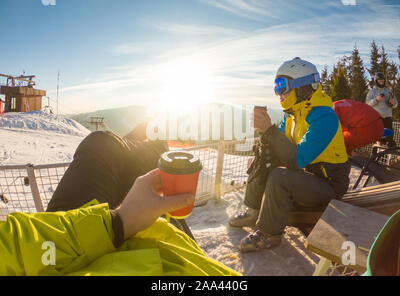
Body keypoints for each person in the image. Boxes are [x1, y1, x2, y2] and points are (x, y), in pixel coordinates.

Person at [0, 169, 240, 276]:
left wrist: (117, 224)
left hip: (69, 250)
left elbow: (16, 247)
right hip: (142, 248)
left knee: (102, 142)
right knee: (116, 147)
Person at [229, 57, 350, 253]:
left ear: (301, 86)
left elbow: (297, 159)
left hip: (329, 186)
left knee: (280, 176)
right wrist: (265, 137)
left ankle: (269, 234)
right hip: (309, 179)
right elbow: (278, 147)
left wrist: (269, 130)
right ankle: (253, 210)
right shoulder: (293, 115)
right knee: (265, 157)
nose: (278, 94)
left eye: (282, 86)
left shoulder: (324, 117)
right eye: (276, 86)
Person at [366, 72, 398, 148]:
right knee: (380, 140)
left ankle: (390, 157)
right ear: (376, 81)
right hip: (378, 117)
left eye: (383, 80)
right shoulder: (372, 91)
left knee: (390, 140)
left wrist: (393, 103)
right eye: (379, 80)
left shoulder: (389, 91)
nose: (381, 82)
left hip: (388, 117)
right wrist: (376, 99)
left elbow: (396, 104)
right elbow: (367, 105)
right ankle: (375, 156)